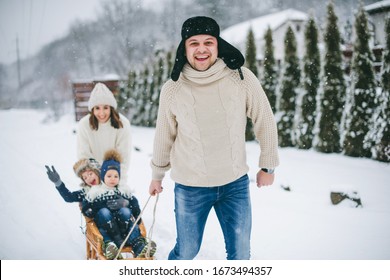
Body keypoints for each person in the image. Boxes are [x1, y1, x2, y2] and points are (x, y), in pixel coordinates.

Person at [148, 16, 279, 260]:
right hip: (190, 187)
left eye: (208, 42)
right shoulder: (173, 88)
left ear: (218, 45)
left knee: (240, 254)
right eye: (194, 43)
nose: (201, 49)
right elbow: (164, 135)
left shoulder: (241, 77)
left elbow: (265, 119)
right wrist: (157, 175)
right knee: (187, 252)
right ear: (184, 48)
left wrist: (268, 165)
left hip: (234, 184)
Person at [84, 149, 156, 259]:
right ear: (103, 176)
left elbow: (135, 207)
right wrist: (101, 205)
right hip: (106, 229)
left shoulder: (123, 191)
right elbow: (86, 210)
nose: (112, 179)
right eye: (109, 176)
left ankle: (139, 246)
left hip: (123, 230)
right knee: (104, 212)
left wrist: (126, 203)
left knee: (126, 212)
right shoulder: (96, 192)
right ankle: (110, 247)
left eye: (115, 176)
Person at [77, 82, 132, 186]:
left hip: (115, 179)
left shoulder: (123, 124)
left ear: (111, 108)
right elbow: (83, 155)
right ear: (92, 109)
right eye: (97, 108)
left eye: (105, 107)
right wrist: (96, 179)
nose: (101, 113)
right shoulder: (84, 125)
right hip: (92, 179)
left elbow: (124, 158)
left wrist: (113, 182)